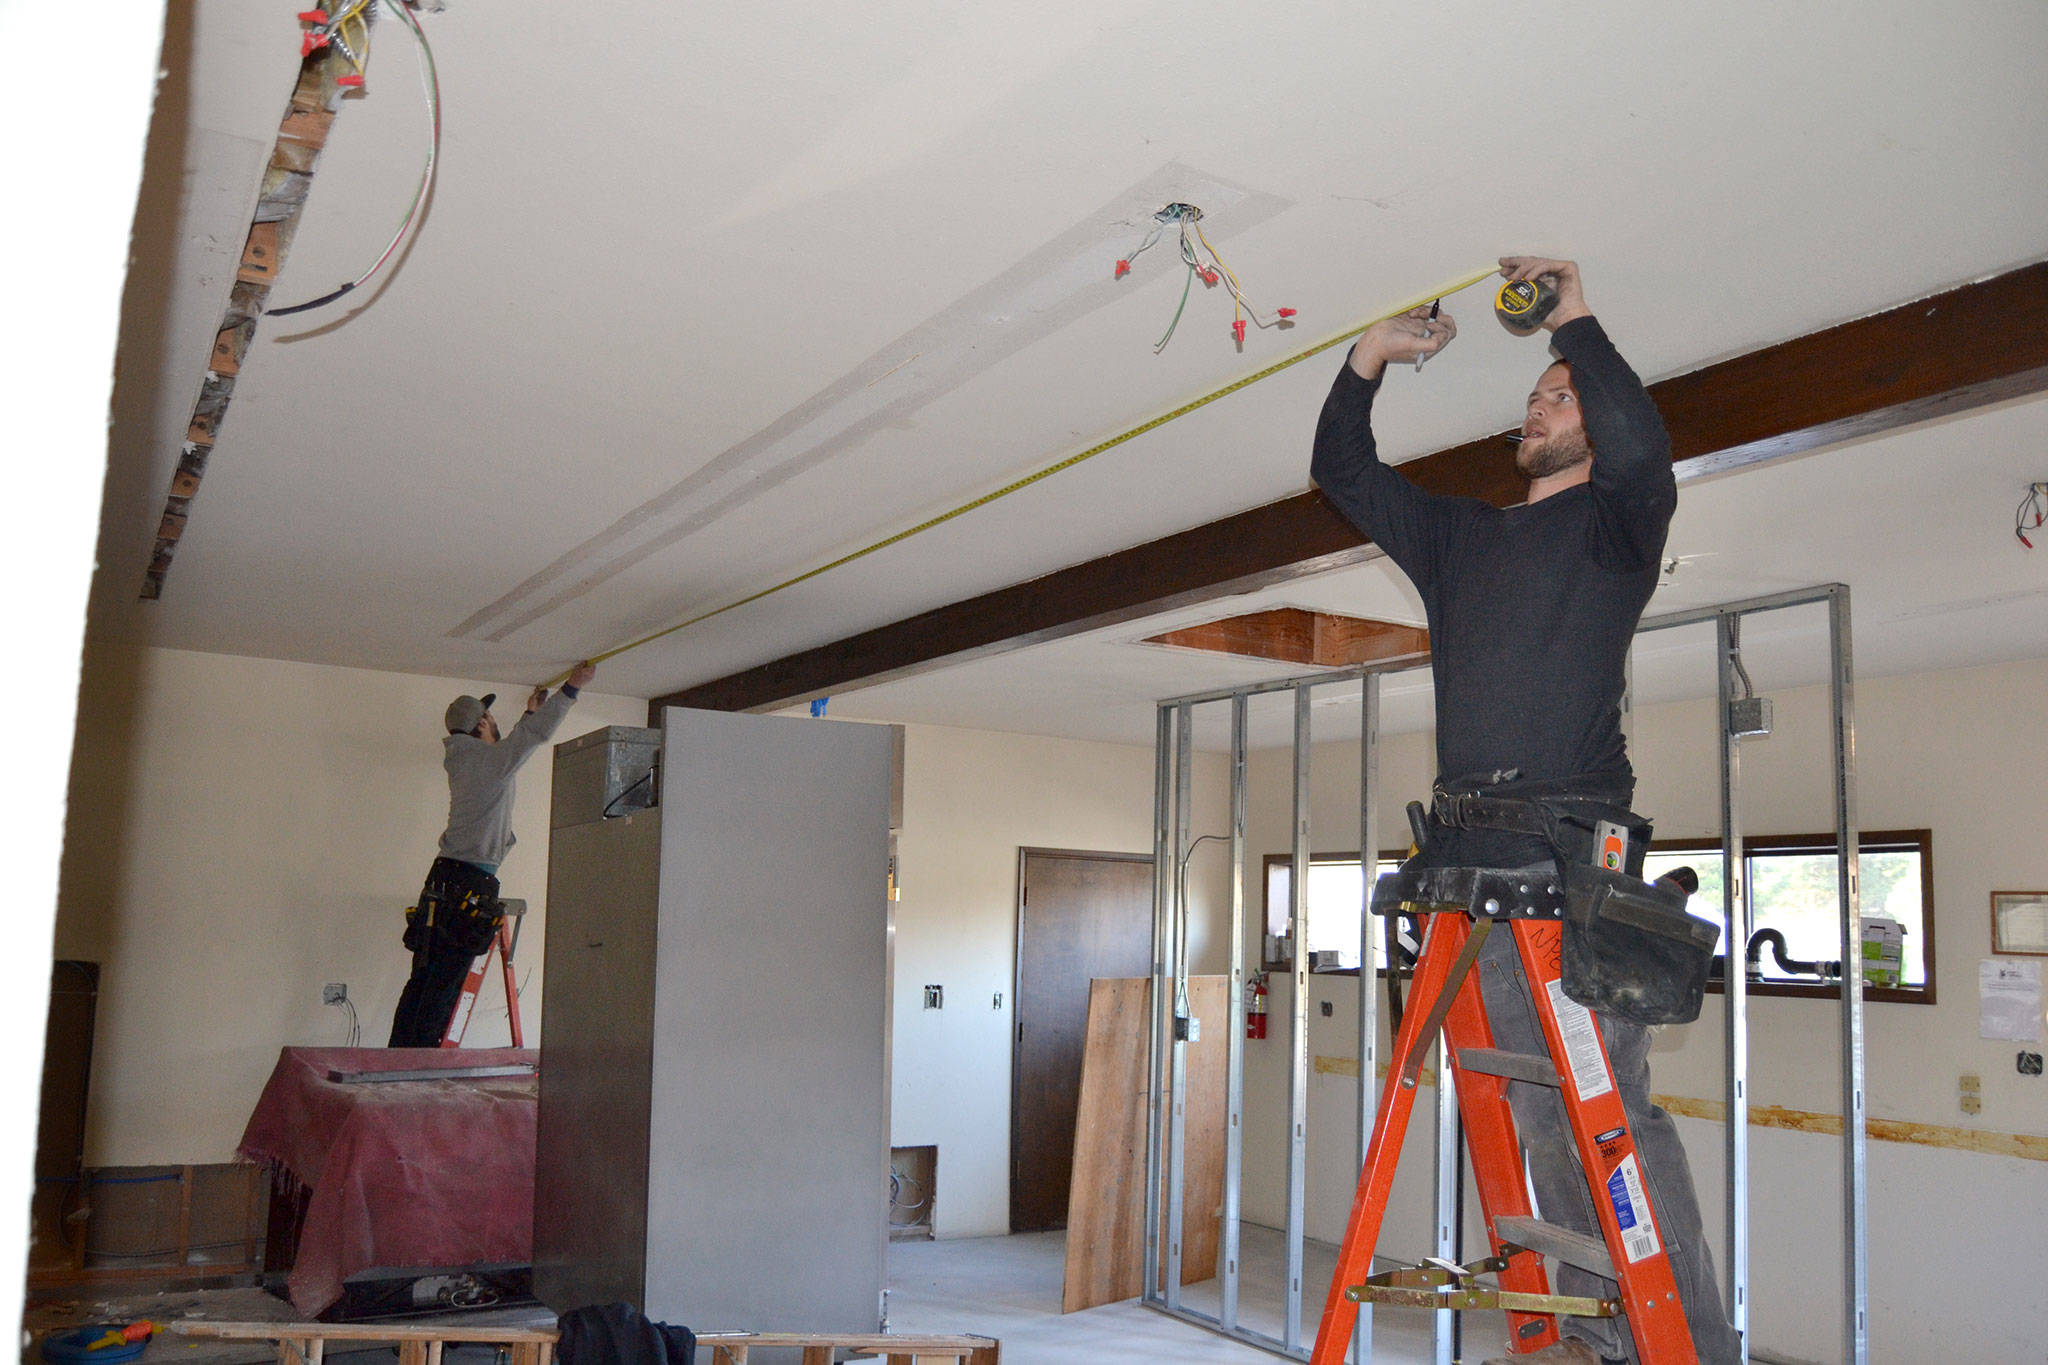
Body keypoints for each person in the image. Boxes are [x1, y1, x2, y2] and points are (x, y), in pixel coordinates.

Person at [1310, 258, 1738, 1365]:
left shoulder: (1615, 527)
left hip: (1568, 853)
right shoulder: (1460, 540)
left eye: (1557, 394)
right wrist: (1366, 360)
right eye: (1536, 394)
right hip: (1466, 850)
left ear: (1591, 422)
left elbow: (1644, 444)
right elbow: (1340, 469)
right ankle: (1599, 1336)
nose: (1535, 406)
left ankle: (1681, 1345)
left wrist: (1574, 316)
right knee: (1541, 1111)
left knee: (1610, 1112)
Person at [387, 660, 598, 1047]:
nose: (493, 721)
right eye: (488, 716)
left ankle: (397, 1056)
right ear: (480, 725)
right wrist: (572, 688)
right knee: (446, 983)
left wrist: (527, 712)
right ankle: (419, 1063)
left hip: (444, 879)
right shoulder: (491, 762)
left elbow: (510, 749)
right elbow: (530, 738)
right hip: (468, 880)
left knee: (425, 975)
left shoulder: (466, 758)